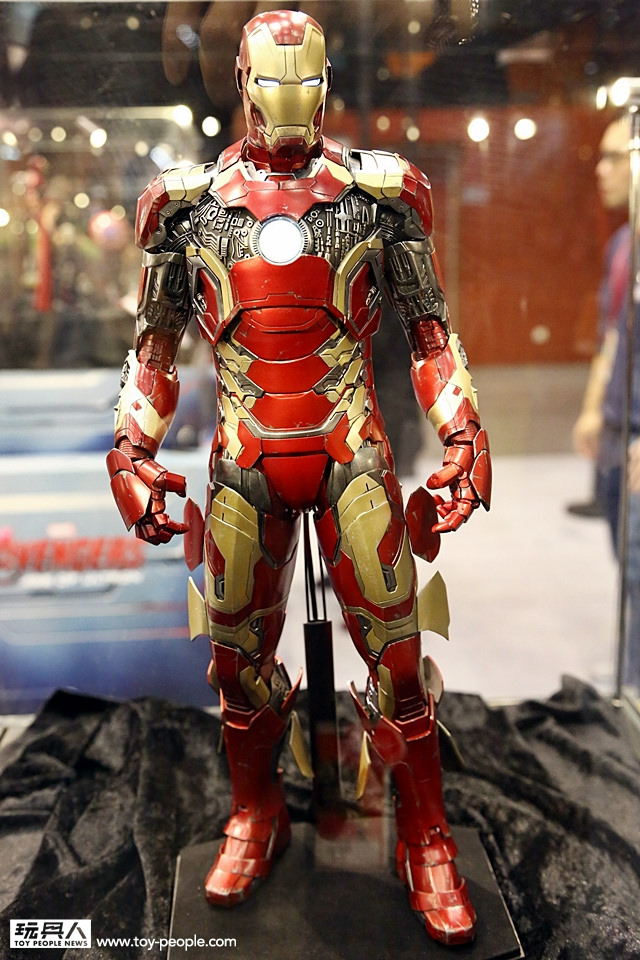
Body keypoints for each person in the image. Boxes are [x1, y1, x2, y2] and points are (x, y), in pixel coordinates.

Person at [107, 10, 490, 946]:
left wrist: (462, 434)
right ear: (242, 83)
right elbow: (154, 351)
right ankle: (258, 812)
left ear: (323, 86)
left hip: (350, 448)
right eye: (272, 86)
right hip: (246, 459)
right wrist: (130, 448)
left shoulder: (382, 194)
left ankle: (425, 837)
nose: (287, 106)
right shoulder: (188, 206)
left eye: (304, 86)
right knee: (236, 662)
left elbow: (430, 338)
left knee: (397, 658)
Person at [572, 115, 640, 687]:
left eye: (616, 156)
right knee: (629, 571)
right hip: (620, 430)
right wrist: (595, 407)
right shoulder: (624, 243)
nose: (602, 169)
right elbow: (614, 332)